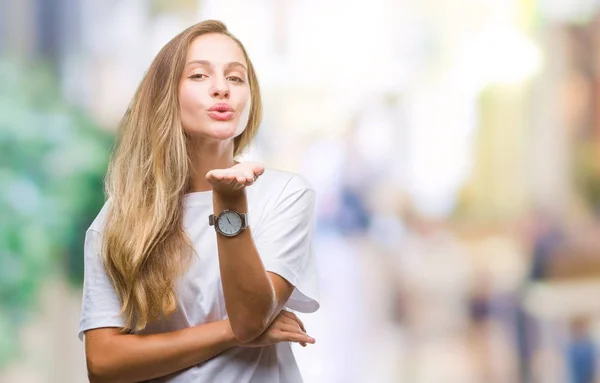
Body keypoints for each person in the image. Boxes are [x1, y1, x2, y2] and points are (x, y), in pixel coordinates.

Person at [78, 20, 320, 382]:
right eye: (199, 76)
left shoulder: (286, 194)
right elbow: (103, 362)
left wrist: (230, 205)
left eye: (236, 78)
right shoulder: (121, 217)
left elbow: (252, 314)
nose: (221, 88)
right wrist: (230, 331)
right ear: (166, 94)